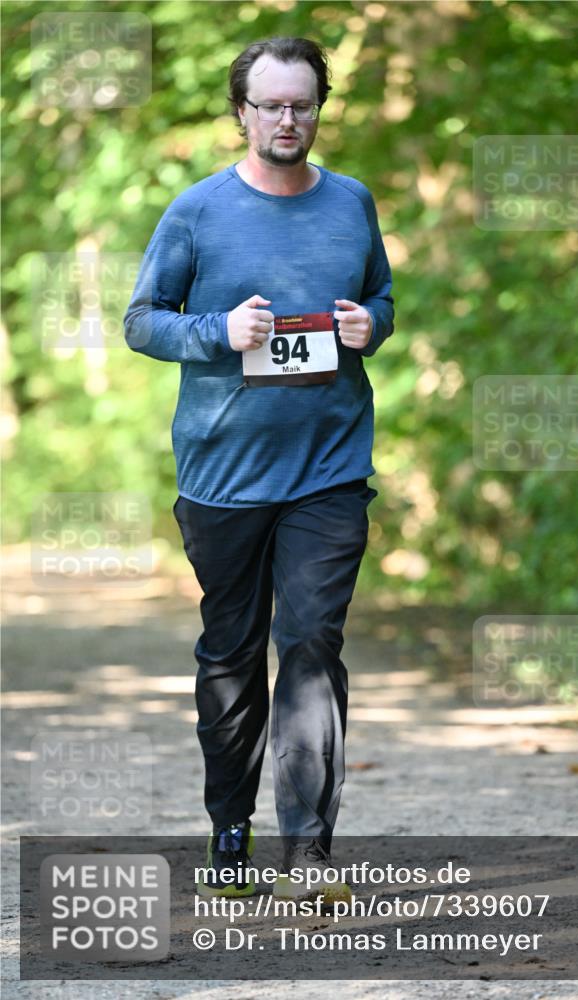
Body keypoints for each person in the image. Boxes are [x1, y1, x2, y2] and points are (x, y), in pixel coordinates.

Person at [124, 36, 394, 903]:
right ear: (240, 111)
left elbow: (382, 299)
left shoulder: (352, 203)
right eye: (271, 105)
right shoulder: (197, 212)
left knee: (312, 645)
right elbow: (141, 321)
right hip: (224, 475)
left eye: (303, 104)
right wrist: (216, 333)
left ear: (320, 107)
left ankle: (309, 853)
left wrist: (369, 327)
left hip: (329, 467)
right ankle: (228, 830)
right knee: (231, 656)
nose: (288, 119)